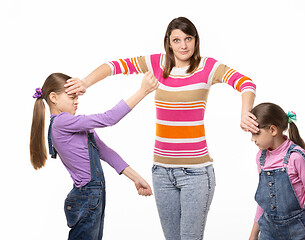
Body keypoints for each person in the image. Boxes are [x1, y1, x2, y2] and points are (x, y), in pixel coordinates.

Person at [65, 16, 258, 240]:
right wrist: (86, 82)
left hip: (196, 174)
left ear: (196, 40)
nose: (183, 45)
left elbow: (246, 83)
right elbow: (113, 66)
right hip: (162, 172)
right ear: (168, 42)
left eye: (188, 39)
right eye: (176, 40)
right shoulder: (158, 64)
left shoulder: (208, 67)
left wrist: (245, 111)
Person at [30, 72, 159, 240]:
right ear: (53, 97)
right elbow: (109, 118)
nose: (77, 101)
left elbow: (105, 152)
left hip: (93, 196)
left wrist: (136, 178)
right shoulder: (62, 122)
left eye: (77, 97)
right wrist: (143, 91)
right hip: (86, 197)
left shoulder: (74, 125)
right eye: (72, 97)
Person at [248, 103, 305, 240]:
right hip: (267, 232)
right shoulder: (260, 158)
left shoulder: (297, 157)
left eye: (256, 133)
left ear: (272, 130)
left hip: (296, 232)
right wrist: (253, 234)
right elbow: (264, 200)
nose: (252, 139)